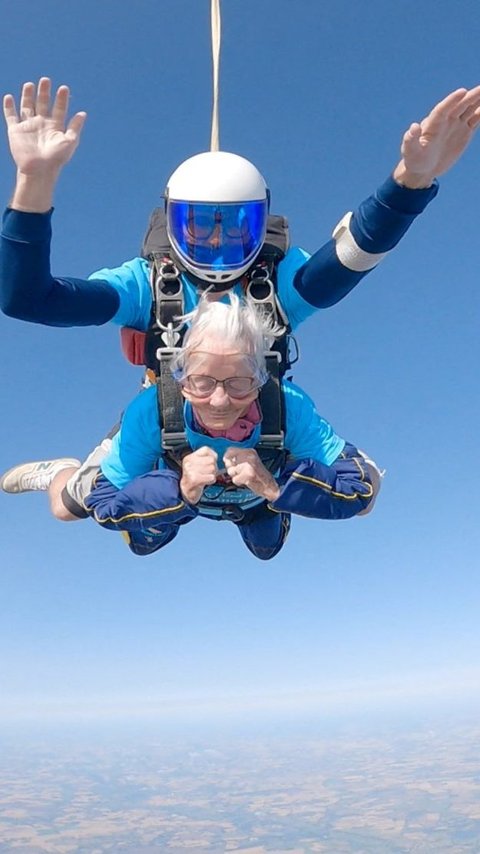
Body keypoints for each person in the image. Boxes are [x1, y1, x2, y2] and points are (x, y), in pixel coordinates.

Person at [1, 78, 478, 525]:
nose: (216, 242)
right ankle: (62, 471)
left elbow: (353, 256)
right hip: (171, 413)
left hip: (257, 416)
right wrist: (34, 180)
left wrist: (410, 179)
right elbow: (28, 299)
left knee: (276, 520)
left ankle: (262, 505)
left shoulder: (275, 280)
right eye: (199, 225)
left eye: (235, 227)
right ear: (171, 223)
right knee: (68, 508)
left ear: (260, 222)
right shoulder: (149, 283)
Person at [1, 295, 381, 560]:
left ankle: (267, 502)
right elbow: (104, 504)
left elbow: (363, 487)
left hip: (254, 495)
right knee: (87, 517)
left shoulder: (286, 405)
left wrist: (273, 486)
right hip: (168, 478)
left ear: (261, 380)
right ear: (180, 380)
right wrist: (178, 490)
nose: (219, 401)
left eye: (239, 383)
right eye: (201, 382)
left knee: (266, 547)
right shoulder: (152, 410)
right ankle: (61, 473)